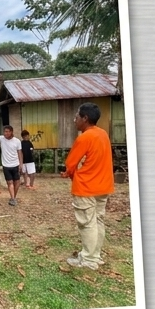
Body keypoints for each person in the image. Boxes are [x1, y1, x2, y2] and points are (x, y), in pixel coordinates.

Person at [62, 102, 114, 270]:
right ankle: (95, 255)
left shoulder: (84, 137)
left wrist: (70, 175)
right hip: (103, 186)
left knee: (87, 223)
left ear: (85, 118)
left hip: (86, 187)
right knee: (98, 220)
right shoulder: (103, 134)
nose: (74, 119)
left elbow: (70, 164)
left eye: (76, 116)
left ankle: (89, 260)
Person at [0, 124, 24, 206]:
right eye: (5, 132)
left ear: (11, 132)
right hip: (6, 165)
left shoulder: (17, 141)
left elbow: (20, 153)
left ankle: (13, 197)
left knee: (17, 182)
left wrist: (21, 164)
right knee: (9, 182)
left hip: (15, 164)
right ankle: (12, 198)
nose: (6, 133)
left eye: (7, 132)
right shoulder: (1, 139)